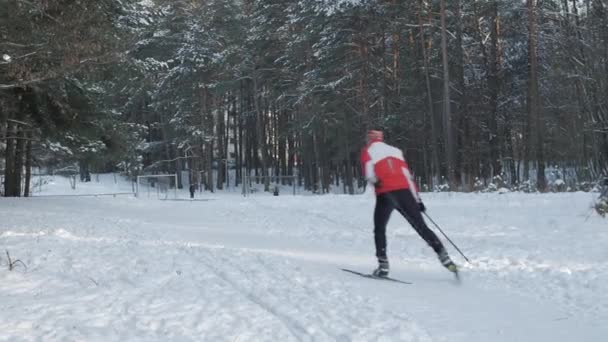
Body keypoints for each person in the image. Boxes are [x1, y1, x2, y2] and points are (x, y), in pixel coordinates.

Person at [360, 130, 458, 277]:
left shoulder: (367, 151)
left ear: (369, 139)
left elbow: (369, 174)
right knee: (421, 227)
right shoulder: (396, 151)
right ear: (381, 139)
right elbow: (408, 176)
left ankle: (383, 266)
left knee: (379, 229)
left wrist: (375, 181)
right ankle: (444, 257)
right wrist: (418, 200)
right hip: (405, 193)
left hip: (385, 193)